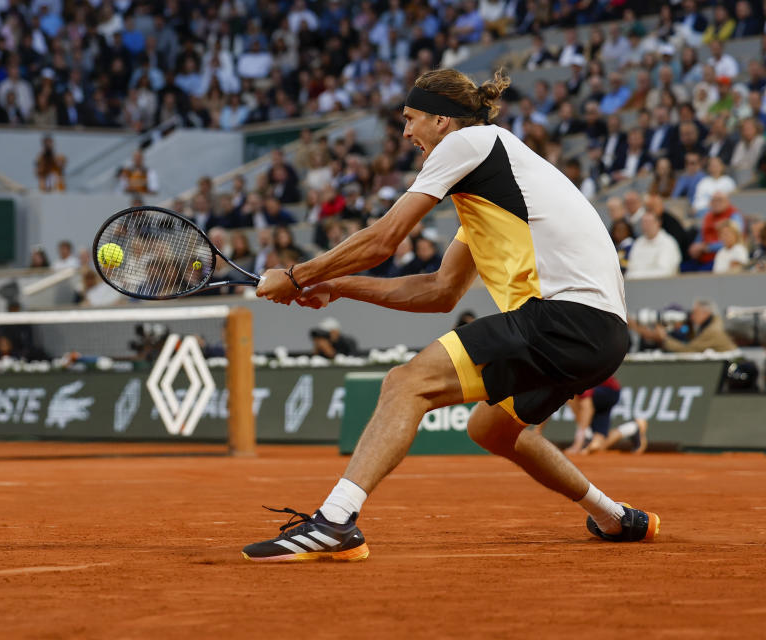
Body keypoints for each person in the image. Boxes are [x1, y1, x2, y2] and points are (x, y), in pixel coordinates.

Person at [245, 69, 659, 563]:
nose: (405, 133)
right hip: (603, 335)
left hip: (565, 315)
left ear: (442, 121)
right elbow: (438, 292)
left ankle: (334, 522)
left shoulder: (470, 143)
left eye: (411, 119)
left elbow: (384, 239)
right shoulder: (496, 187)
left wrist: (295, 274)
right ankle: (614, 517)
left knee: (406, 383)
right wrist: (333, 285)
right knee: (491, 429)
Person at [541, 377, 648, 455]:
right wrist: (537, 431)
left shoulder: (575, 375)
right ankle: (633, 428)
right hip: (607, 392)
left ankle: (586, 436)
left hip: (608, 392)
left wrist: (577, 445)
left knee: (571, 398)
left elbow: (587, 408)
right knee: (597, 447)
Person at [631, 299, 737, 353]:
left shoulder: (712, 331)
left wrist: (664, 338)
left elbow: (688, 350)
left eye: (696, 313)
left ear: (706, 313)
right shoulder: (709, 327)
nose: (692, 317)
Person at [625, 212, 682, 279]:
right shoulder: (638, 243)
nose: (646, 226)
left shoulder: (668, 243)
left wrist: (636, 275)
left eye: (649, 222)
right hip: (637, 285)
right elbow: (630, 269)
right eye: (644, 223)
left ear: (658, 223)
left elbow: (665, 272)